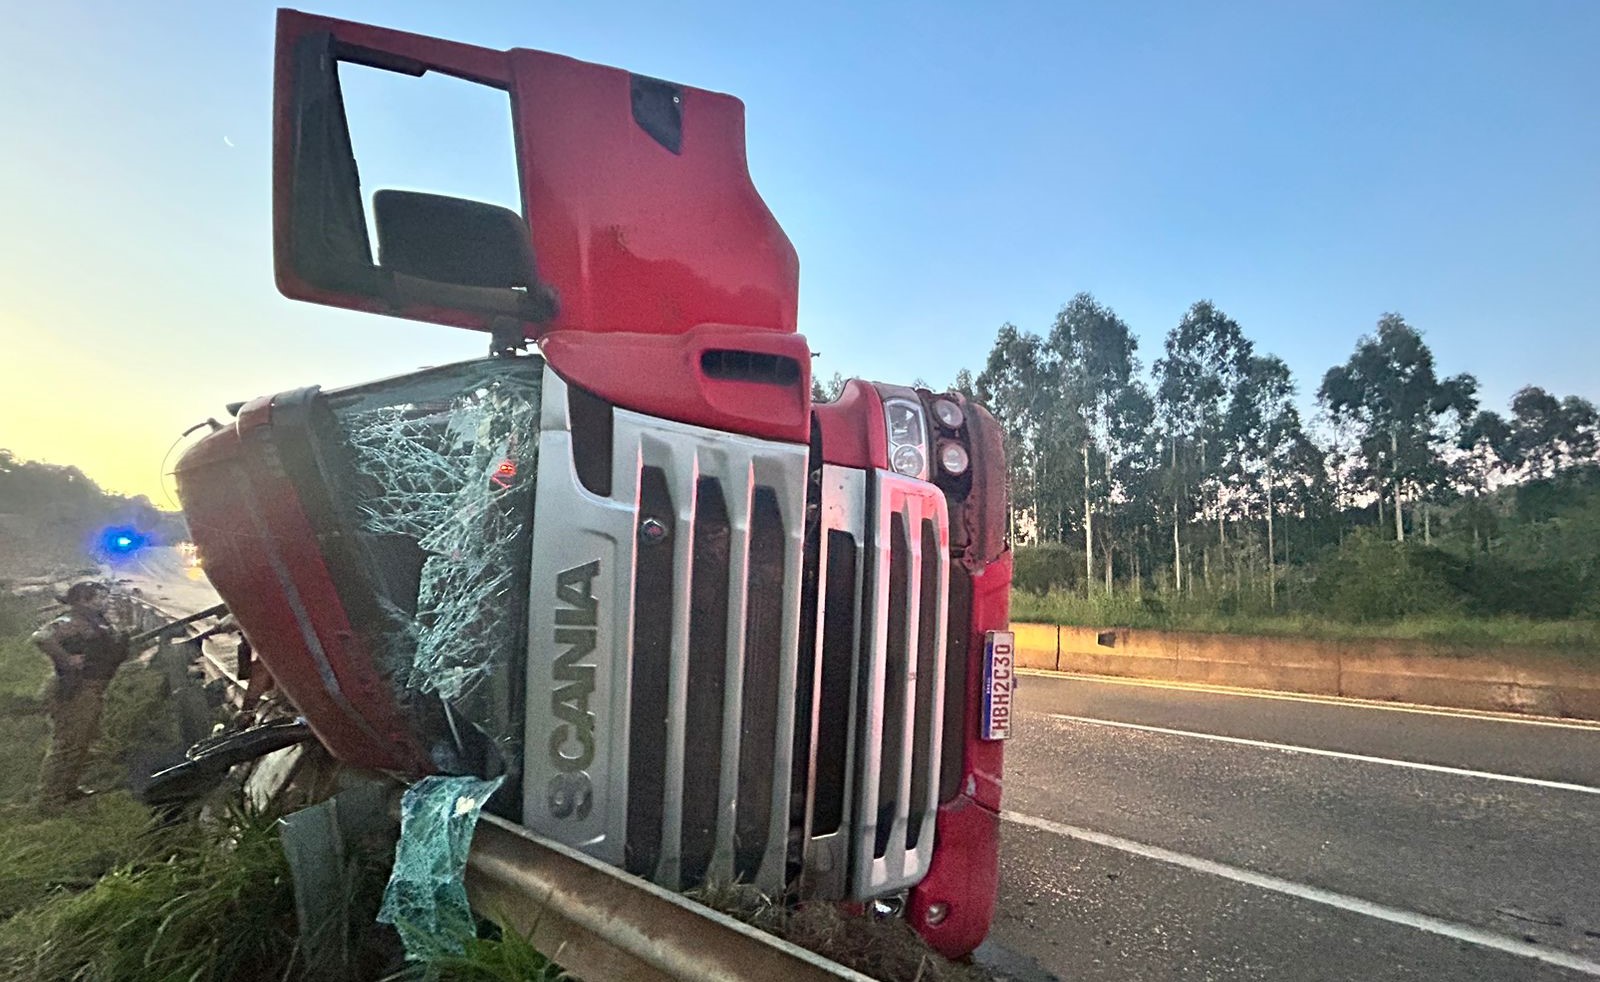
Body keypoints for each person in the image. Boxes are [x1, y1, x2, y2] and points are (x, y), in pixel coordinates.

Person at [31, 581, 132, 809]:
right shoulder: (74, 620)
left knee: (81, 741)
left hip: (91, 689)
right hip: (77, 689)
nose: (105, 602)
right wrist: (66, 660)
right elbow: (42, 636)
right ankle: (49, 799)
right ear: (83, 599)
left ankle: (67, 789)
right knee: (67, 743)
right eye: (100, 597)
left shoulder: (94, 621)